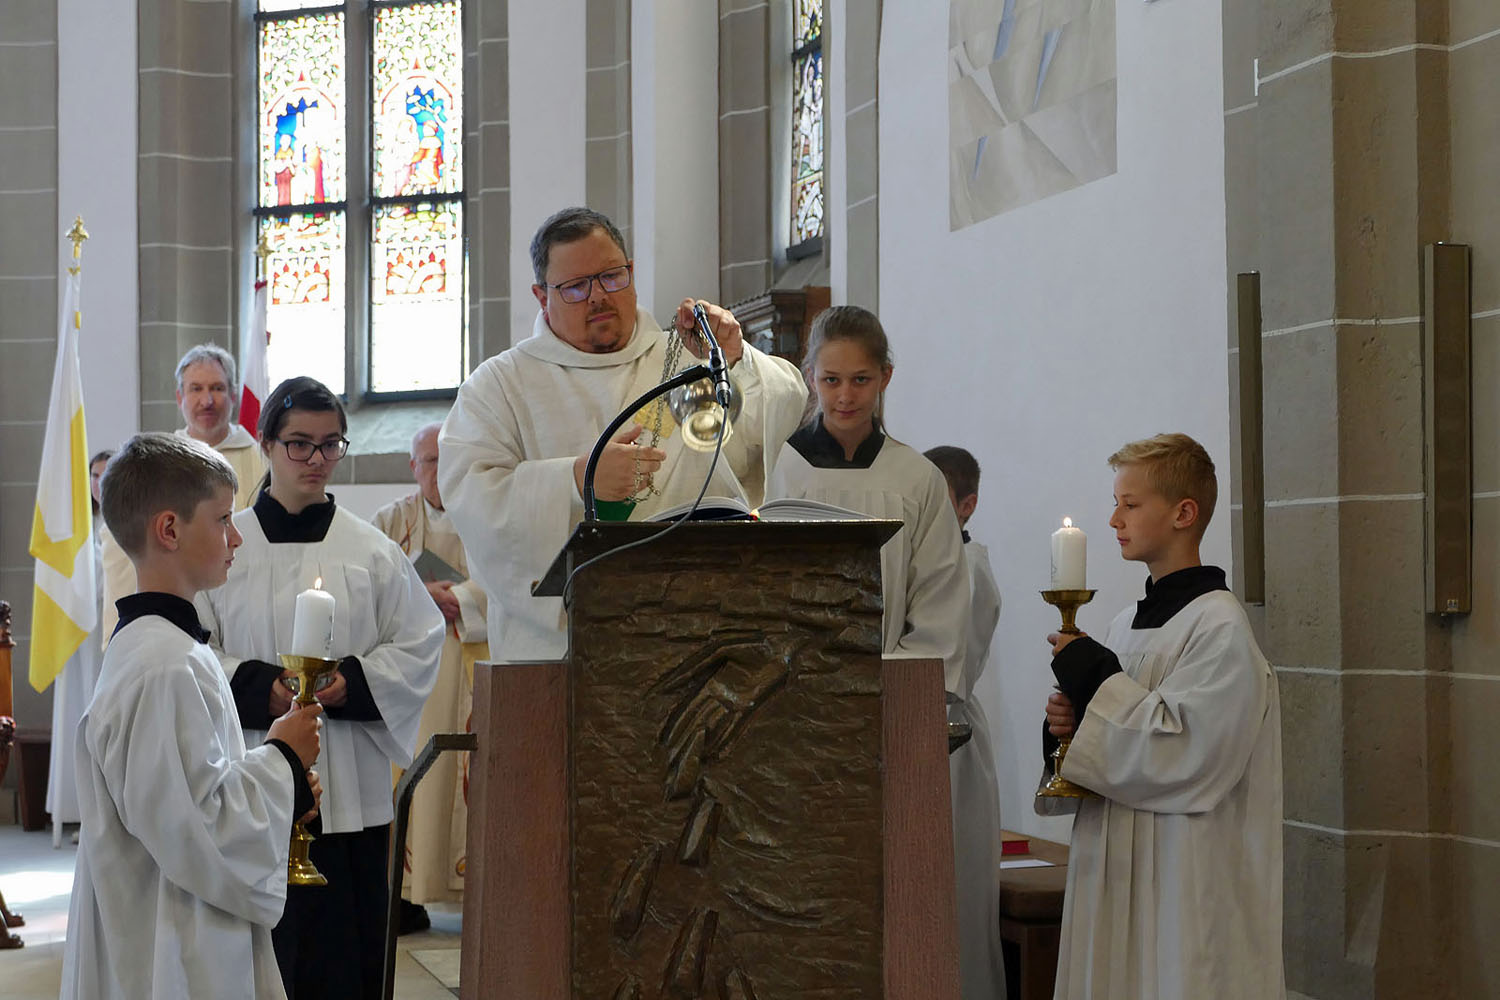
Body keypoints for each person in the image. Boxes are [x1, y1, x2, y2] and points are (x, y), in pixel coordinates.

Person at [439, 206, 807, 660]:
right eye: (576, 286)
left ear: (631, 271)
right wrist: (577, 480)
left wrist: (735, 359)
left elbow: (775, 416)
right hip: (562, 652)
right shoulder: (500, 385)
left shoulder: (687, 358)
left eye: (611, 276)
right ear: (541, 296)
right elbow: (472, 494)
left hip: (695, 631)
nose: (598, 297)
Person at [196, 377, 444, 1000]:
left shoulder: (370, 550)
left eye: (331, 444)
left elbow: (419, 640)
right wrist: (262, 687)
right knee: (261, 957)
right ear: (266, 444)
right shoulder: (228, 545)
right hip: (251, 775)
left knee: (346, 959)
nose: (316, 459)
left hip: (349, 792)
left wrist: (349, 682)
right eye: (299, 443)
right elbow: (195, 647)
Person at [60, 432, 322, 1000]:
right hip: (170, 948)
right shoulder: (164, 666)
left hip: (172, 926)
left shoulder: (163, 649)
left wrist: (280, 783)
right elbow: (199, 832)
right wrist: (283, 759)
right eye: (223, 519)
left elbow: (187, 793)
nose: (236, 536)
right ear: (169, 530)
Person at [1039, 433, 1283, 999]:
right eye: (1115, 503)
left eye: (1130, 504)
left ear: (1183, 513)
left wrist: (1096, 677)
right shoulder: (1124, 623)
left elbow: (1184, 751)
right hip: (1113, 868)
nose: (1113, 519)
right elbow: (1111, 733)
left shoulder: (1218, 626)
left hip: (1184, 877)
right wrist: (1066, 726)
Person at [765, 305, 969, 689]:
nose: (846, 395)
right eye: (831, 380)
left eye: (860, 379)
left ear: (884, 377)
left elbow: (940, 599)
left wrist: (897, 683)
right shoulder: (782, 468)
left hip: (891, 689)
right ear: (811, 378)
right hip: (796, 686)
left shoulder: (915, 478)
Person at [371, 422, 488, 933]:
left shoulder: (486, 512)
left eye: (446, 457)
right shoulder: (389, 521)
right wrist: (420, 598)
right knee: (410, 776)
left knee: (459, 779)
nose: (439, 470)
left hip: (467, 669)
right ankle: (405, 898)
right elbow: (367, 585)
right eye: (430, 460)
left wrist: (459, 599)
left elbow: (515, 578)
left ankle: (472, 892)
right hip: (408, 677)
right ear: (413, 467)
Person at [100, 344, 266, 639]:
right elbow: (128, 541)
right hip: (168, 618)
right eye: (196, 389)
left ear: (233, 395)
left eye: (217, 388)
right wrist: (123, 630)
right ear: (179, 397)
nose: (207, 400)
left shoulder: (261, 463)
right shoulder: (158, 463)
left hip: (242, 615)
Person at [924, 444, 1007, 1000]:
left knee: (954, 904)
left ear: (966, 505)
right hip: (925, 733)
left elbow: (948, 675)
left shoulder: (969, 569)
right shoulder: (928, 560)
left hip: (949, 739)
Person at [45, 450, 111, 847]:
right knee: (82, 715)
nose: (100, 482)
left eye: (107, 473)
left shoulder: (126, 522)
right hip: (83, 635)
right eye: (94, 475)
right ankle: (83, 812)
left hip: (112, 627)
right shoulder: (82, 527)